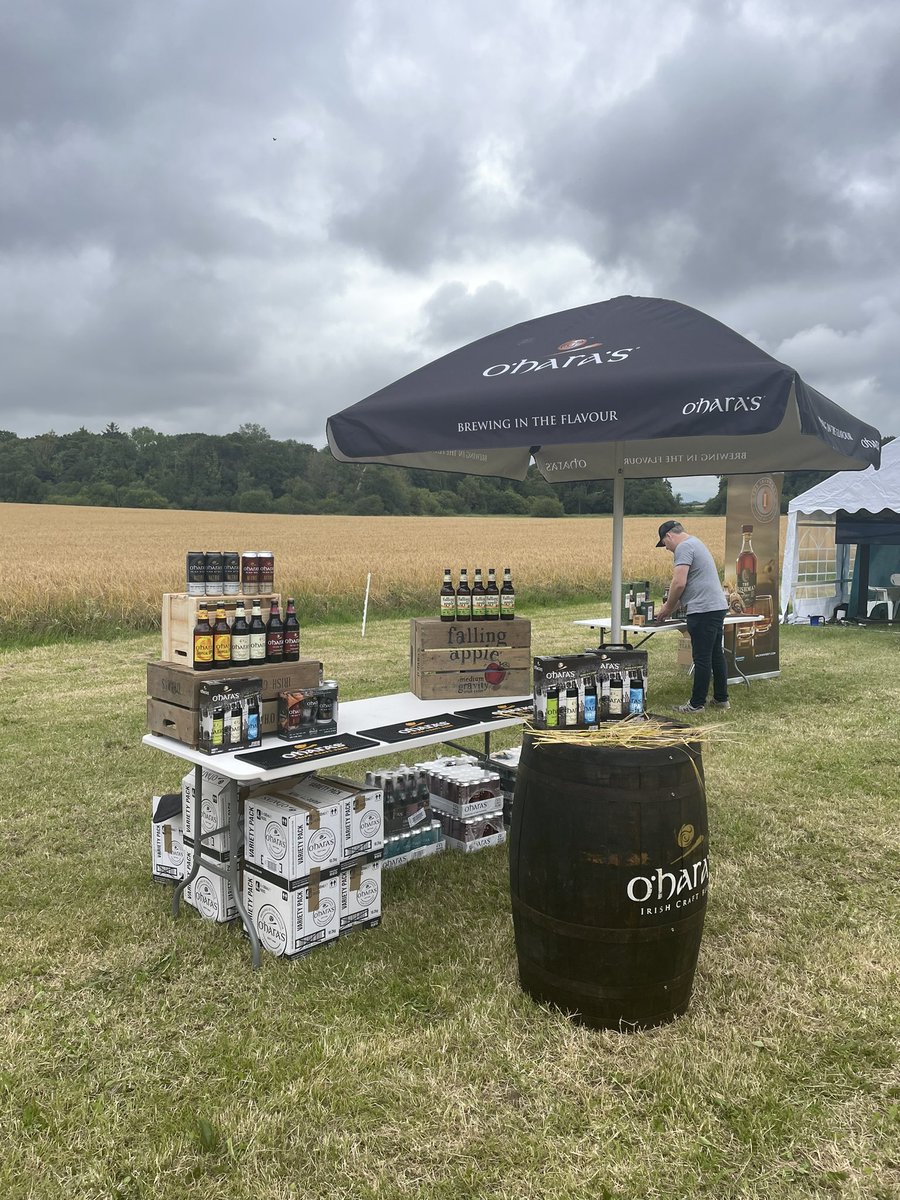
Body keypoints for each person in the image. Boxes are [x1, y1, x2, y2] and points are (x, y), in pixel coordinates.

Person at [654, 520, 730, 713]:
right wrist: (669, 608)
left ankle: (696, 704)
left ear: (669, 536)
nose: (666, 549)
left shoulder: (684, 547)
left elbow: (679, 583)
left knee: (701, 658)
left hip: (703, 609)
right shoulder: (696, 543)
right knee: (715, 655)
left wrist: (667, 608)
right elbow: (691, 585)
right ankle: (721, 699)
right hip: (716, 606)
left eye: (664, 544)